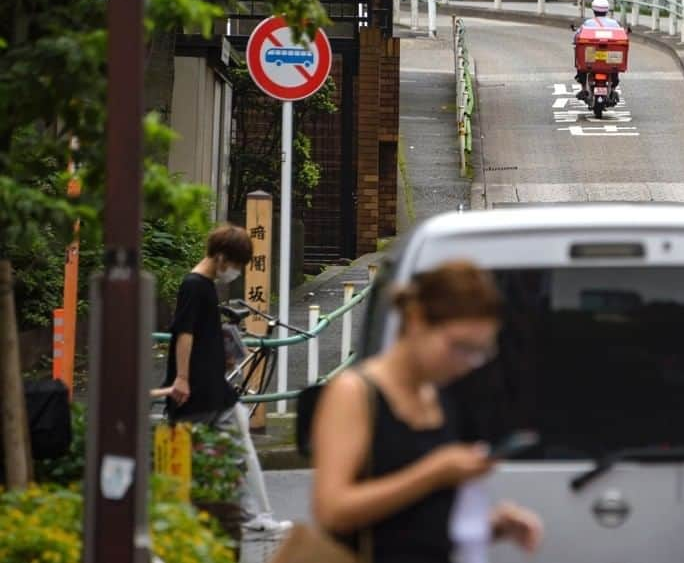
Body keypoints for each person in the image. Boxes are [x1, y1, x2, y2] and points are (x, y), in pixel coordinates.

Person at [310, 260, 543, 563]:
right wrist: (432, 474)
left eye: (479, 352)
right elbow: (331, 509)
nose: (467, 363)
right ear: (418, 320)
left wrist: (490, 526)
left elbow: (418, 522)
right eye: (460, 347)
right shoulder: (354, 392)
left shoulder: (437, 395)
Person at [163, 223, 290, 532]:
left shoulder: (204, 285)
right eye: (235, 264)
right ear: (221, 256)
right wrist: (181, 378)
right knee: (220, 454)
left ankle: (245, 515)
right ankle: (249, 515)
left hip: (209, 388)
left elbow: (199, 334)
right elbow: (184, 334)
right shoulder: (195, 286)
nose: (235, 271)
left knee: (220, 453)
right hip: (199, 389)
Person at [574, 0, 622, 101]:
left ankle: (583, 88)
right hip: (610, 58)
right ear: (607, 10)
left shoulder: (588, 23)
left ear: (593, 9)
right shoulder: (614, 24)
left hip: (591, 57)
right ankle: (613, 89)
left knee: (581, 65)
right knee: (614, 68)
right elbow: (622, 36)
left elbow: (577, 36)